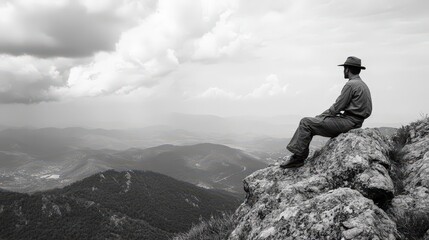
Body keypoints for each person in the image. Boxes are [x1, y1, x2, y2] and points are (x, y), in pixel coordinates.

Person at [280, 56, 372, 168]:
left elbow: (337, 107)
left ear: (347, 69)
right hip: (356, 122)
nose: (343, 71)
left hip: (348, 122)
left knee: (306, 123)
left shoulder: (350, 85)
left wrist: (320, 117)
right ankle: (299, 155)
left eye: (344, 68)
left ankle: (298, 158)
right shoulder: (362, 84)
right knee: (312, 122)